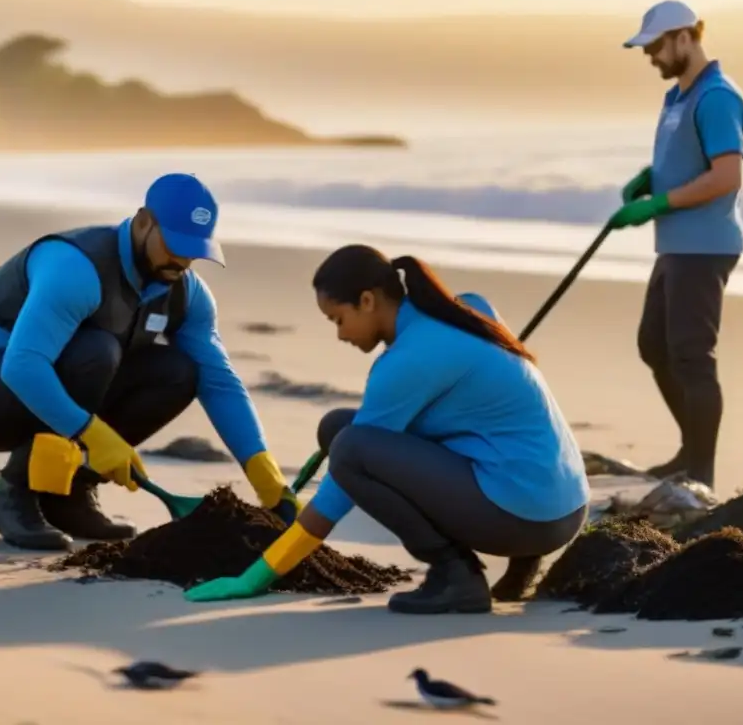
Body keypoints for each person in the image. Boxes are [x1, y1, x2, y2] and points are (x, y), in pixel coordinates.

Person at [183, 245, 590, 614]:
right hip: (566, 508)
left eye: (338, 319)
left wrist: (258, 575)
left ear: (367, 300)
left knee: (352, 447)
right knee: (339, 428)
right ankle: (522, 570)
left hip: (523, 519)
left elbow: (342, 482)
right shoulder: (466, 308)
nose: (340, 334)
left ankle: (455, 575)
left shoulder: (404, 363)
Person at [0, 173, 299, 551]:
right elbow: (21, 367)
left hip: (45, 386)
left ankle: (69, 493)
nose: (183, 260)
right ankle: (12, 493)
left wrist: (263, 471)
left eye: (195, 249)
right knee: (96, 351)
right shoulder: (77, 267)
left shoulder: (187, 293)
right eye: (175, 244)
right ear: (142, 222)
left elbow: (219, 382)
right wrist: (93, 434)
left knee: (180, 372)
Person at [611, 0, 743, 489]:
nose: (651, 56)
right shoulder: (678, 98)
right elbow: (690, 159)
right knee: (655, 346)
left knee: (691, 355)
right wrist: (652, 180)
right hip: (677, 245)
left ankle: (701, 476)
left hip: (705, 245)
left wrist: (658, 202)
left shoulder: (717, 97)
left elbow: (727, 176)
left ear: (686, 37)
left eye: (656, 46)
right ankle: (689, 452)